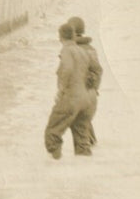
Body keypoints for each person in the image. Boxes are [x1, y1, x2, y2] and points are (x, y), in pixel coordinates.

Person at [44, 22, 92, 159]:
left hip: (70, 98)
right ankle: (85, 171)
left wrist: (61, 91)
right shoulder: (82, 51)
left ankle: (55, 170)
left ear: (60, 37)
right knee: (82, 142)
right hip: (85, 100)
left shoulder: (66, 50)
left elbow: (68, 69)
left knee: (52, 133)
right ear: (73, 36)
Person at [67, 16, 103, 150]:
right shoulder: (90, 49)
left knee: (81, 145)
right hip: (91, 97)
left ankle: (84, 168)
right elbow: (98, 70)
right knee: (87, 134)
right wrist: (93, 89)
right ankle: (97, 160)